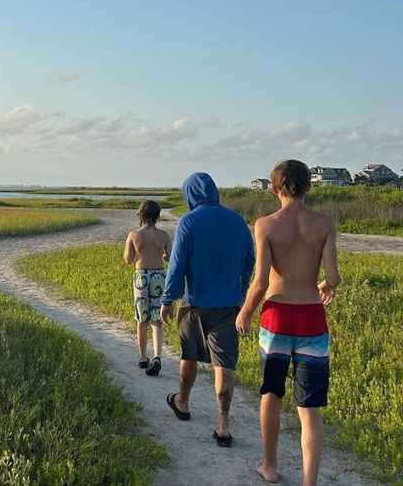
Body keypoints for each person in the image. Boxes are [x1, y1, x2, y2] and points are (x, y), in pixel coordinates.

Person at [236, 160, 339, 486]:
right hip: (311, 317)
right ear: (309, 186)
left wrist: (246, 311)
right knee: (309, 408)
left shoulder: (265, 224)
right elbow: (333, 276)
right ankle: (310, 481)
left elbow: (261, 281)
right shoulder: (324, 224)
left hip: (277, 317)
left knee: (272, 393)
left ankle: (269, 465)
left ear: (273, 188)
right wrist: (326, 286)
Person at [161, 172, 255, 448]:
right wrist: (241, 289)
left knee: (189, 354)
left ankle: (183, 402)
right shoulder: (238, 222)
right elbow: (250, 259)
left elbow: (177, 266)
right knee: (224, 364)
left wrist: (168, 300)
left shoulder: (188, 222)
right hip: (229, 306)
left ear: (190, 194)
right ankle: (223, 425)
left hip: (194, 304)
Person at [123, 200, 171, 376]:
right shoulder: (164, 235)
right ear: (157, 216)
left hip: (141, 277)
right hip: (159, 276)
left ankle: (143, 357)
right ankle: (157, 356)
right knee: (157, 320)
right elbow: (169, 257)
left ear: (141, 216)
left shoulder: (134, 235)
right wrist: (160, 253)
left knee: (141, 319)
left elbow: (128, 260)